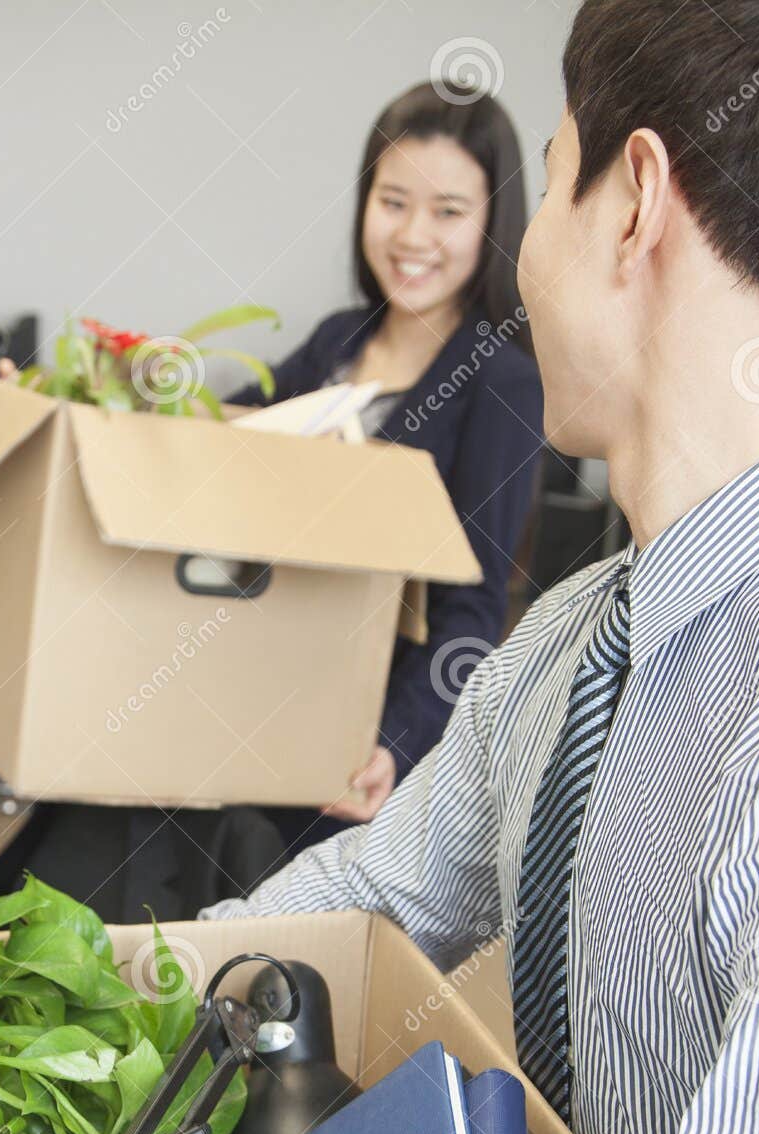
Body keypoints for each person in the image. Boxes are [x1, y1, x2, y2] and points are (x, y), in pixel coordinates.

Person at [198, 0, 759, 1134]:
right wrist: (42, 1003)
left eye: (537, 184)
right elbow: (361, 902)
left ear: (627, 204)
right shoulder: (587, 630)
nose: (510, 271)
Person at [228, 80, 543, 844]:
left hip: (357, 748)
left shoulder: (500, 381)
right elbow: (217, 434)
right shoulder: (336, 341)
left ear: (493, 222)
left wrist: (395, 745)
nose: (412, 235)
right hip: (251, 692)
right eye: (393, 201)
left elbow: (471, 611)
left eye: (447, 211)